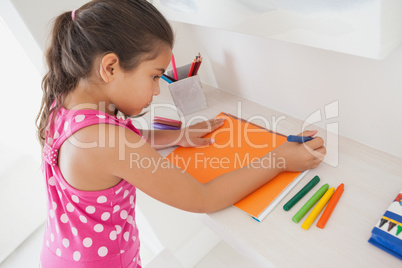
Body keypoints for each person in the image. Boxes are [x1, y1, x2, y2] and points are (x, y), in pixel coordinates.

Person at [36, 0, 326, 267]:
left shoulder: (67, 102)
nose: (157, 90)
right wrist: (279, 159)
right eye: (153, 76)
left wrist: (177, 136)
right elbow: (203, 197)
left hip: (62, 252)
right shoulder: (103, 142)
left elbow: (124, 142)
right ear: (110, 67)